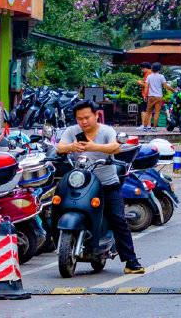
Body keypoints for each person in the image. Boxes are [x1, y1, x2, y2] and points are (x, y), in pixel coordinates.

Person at [56, 100, 144, 275]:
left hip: (106, 183)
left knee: (118, 219)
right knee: (58, 205)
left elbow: (115, 148)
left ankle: (131, 261)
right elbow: (59, 147)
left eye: (87, 117)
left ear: (96, 115)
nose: (83, 121)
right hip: (82, 182)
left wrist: (92, 146)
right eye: (79, 118)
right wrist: (71, 146)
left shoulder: (106, 131)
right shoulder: (72, 131)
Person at [143, 65, 165, 129]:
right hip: (159, 97)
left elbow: (146, 86)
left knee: (148, 112)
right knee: (157, 112)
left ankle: (145, 127)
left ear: (152, 69)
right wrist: (173, 90)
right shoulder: (161, 76)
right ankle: (154, 128)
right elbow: (165, 85)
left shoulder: (149, 76)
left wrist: (145, 95)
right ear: (159, 69)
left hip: (151, 96)